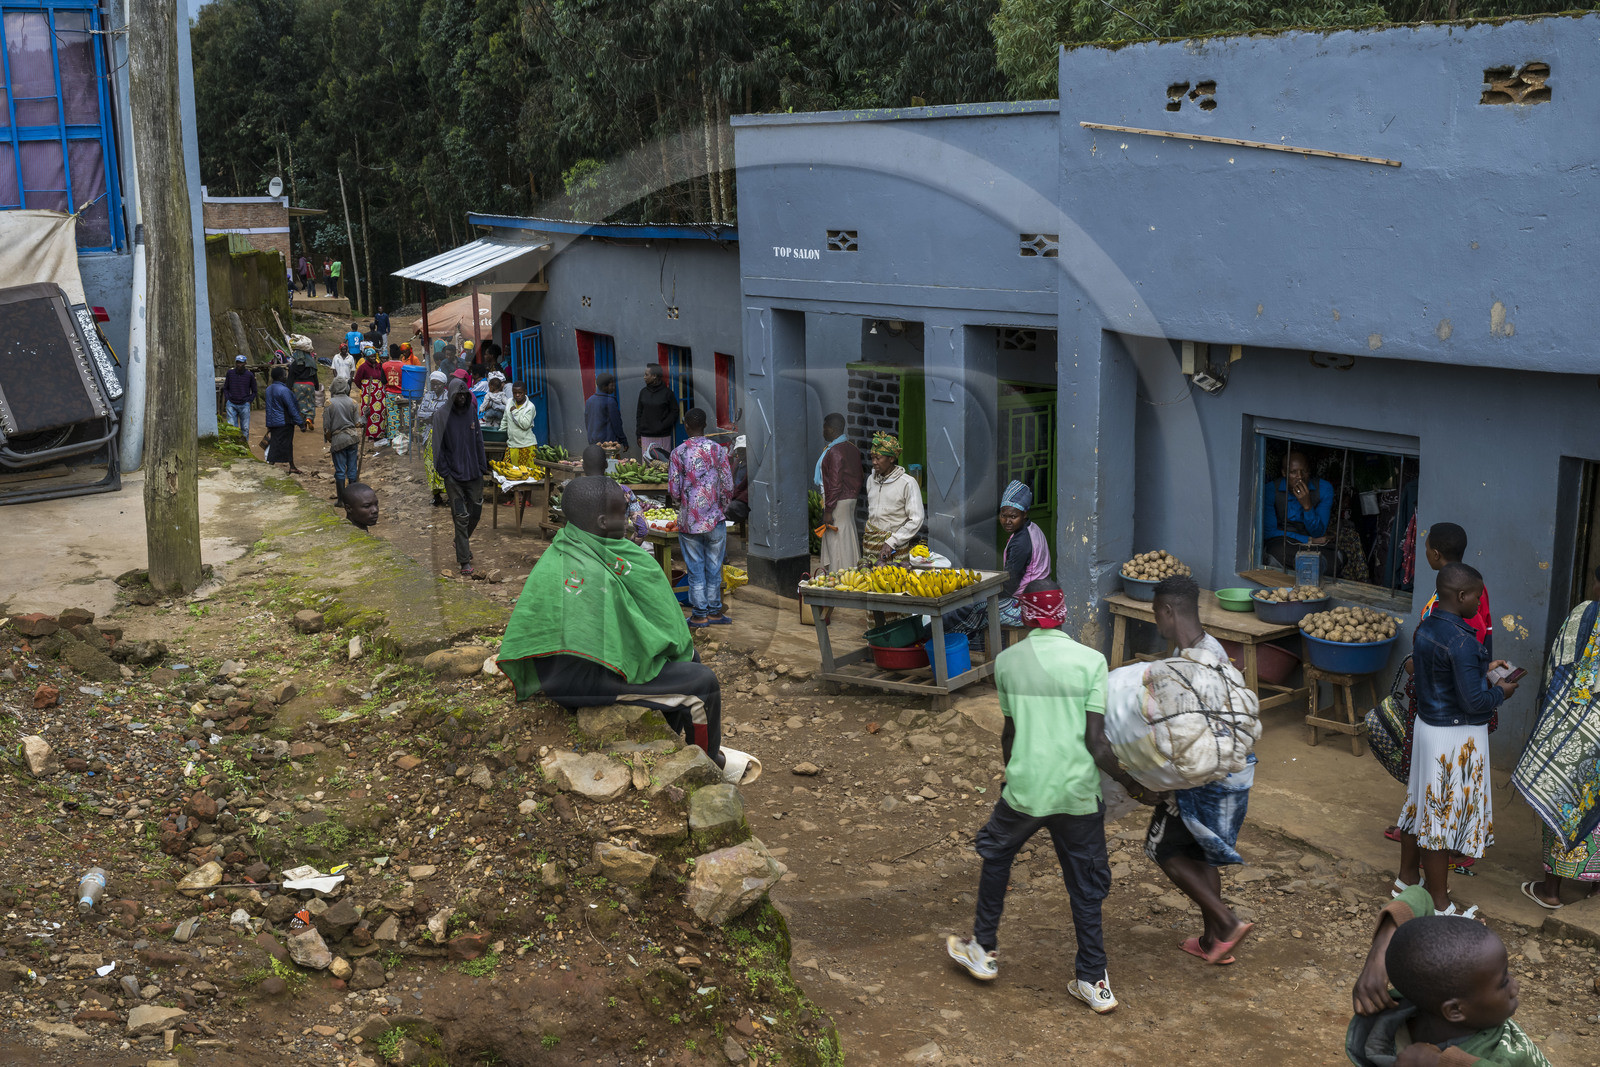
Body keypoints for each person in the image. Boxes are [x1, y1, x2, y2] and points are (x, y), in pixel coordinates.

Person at [946, 580, 1153, 1015]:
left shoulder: (1006, 662)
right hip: (1077, 792)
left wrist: (1011, 772)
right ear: (1064, 613)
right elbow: (1098, 745)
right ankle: (1094, 980)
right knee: (1085, 884)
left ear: (1023, 615)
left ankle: (983, 950)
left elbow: (1010, 732)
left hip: (1026, 788)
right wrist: (1135, 786)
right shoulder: (1092, 662)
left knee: (996, 855)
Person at [495, 475, 758, 784]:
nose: (632, 519)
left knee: (688, 659)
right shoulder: (589, 570)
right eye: (625, 512)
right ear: (605, 521)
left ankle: (671, 741)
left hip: (583, 666)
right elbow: (625, 631)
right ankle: (706, 766)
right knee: (702, 685)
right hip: (582, 679)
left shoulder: (574, 547)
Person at [1145, 575, 1257, 964]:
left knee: (1163, 848)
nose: (1155, 621)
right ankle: (1214, 941)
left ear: (1169, 611)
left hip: (1207, 776)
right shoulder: (1213, 652)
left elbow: (1185, 737)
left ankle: (1226, 923)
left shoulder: (1186, 667)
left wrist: (1161, 779)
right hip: (1234, 772)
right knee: (1204, 850)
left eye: (1156, 612)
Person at [1395, 563, 1518, 914]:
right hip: (1453, 736)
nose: (1481, 603)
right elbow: (1475, 701)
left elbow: (1439, 671)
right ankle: (1438, 902)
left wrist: (1482, 668)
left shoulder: (1426, 627)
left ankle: (1406, 878)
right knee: (1441, 819)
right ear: (1462, 596)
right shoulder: (1464, 640)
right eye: (1478, 596)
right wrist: (1502, 693)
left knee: (1420, 804)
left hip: (1428, 727)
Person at [1386, 522, 1494, 856]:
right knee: (1431, 789)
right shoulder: (1453, 592)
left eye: (1425, 547)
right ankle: (1431, 836)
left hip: (1451, 707)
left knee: (1442, 791)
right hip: (1445, 704)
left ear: (1434, 553)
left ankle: (1446, 847)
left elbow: (1462, 652)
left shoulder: (1464, 594)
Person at [1349, 887, 1548, 1067]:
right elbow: (1419, 895)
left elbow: (1419, 894)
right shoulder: (1495, 1054)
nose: (1515, 987)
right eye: (1504, 982)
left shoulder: (1425, 994)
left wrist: (1379, 955)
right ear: (1454, 1010)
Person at [1513, 566, 1600, 909]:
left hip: (1571, 727)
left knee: (1564, 796)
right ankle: (1595, 886)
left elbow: (1556, 671)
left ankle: (1551, 891)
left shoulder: (1582, 615)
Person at [948, 479, 1052, 640]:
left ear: (1024, 514)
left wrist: (984, 594)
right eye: (1003, 515)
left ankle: (945, 639)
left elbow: (1010, 585)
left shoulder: (1021, 543)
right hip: (1037, 598)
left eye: (1013, 516)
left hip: (1026, 605)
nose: (1007, 521)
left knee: (973, 608)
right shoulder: (1033, 529)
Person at [669, 408, 733, 627]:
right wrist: (720, 506)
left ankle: (699, 614)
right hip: (716, 518)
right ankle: (715, 612)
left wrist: (684, 503)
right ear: (705, 425)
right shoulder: (719, 450)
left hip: (690, 521)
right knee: (714, 567)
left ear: (686, 425)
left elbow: (674, 490)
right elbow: (728, 485)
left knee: (695, 569)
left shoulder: (678, 453)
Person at [432, 377, 489, 576]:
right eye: (459, 395)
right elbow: (437, 445)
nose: (462, 398)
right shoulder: (441, 415)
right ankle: (464, 561)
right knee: (461, 516)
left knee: (476, 511)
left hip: (473, 472)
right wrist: (444, 471)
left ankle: (460, 540)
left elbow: (478, 439)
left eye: (465, 395)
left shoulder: (471, 412)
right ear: (452, 396)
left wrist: (483, 465)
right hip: (453, 475)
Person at [1262, 450, 1336, 575]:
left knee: (1337, 559)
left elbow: (1318, 532)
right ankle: (1312, 569)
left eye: (1304, 471)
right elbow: (1268, 532)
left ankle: (1307, 568)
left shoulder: (1324, 488)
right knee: (1275, 552)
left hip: (1313, 548)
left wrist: (1307, 506)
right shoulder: (1270, 490)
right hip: (1284, 543)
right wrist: (1308, 540)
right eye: (1293, 472)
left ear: (1309, 471)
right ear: (1284, 473)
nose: (1300, 477)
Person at [863, 431, 924, 562]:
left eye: (878, 458)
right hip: (870, 545)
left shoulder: (907, 483)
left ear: (891, 458)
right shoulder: (870, 480)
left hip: (895, 547)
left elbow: (916, 519)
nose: (874, 462)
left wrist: (893, 541)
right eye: (872, 457)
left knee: (893, 579)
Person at [815, 413, 862, 573]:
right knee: (846, 535)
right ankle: (850, 573)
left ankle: (839, 576)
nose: (823, 431)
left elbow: (835, 484)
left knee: (837, 540)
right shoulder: (852, 448)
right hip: (849, 499)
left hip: (837, 500)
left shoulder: (835, 451)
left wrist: (828, 510)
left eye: (825, 427)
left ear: (833, 429)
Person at [582, 444, 646, 542]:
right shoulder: (624, 491)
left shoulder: (579, 492)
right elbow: (643, 528)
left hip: (587, 551)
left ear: (583, 466)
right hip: (617, 551)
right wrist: (630, 546)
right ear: (606, 464)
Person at [323, 377, 362, 498]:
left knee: (340, 471)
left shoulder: (329, 404)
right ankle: (353, 498)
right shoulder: (353, 402)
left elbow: (327, 429)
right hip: (352, 439)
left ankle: (341, 500)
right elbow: (358, 424)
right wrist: (365, 416)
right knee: (352, 469)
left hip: (338, 440)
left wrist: (330, 440)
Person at [416, 370, 450, 508]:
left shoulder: (448, 397)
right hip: (428, 434)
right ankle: (436, 495)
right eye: (433, 384)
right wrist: (435, 415)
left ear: (443, 384)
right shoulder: (428, 396)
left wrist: (433, 416)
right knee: (431, 465)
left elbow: (447, 415)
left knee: (445, 464)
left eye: (438, 385)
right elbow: (420, 413)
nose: (435, 387)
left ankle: (449, 493)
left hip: (444, 435)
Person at [263, 366, 301, 474]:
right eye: (285, 375)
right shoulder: (284, 390)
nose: (286, 377)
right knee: (280, 444)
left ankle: (292, 466)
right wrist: (300, 423)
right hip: (284, 422)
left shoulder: (268, 389)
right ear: (280, 377)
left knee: (284, 443)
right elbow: (292, 408)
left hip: (272, 421)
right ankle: (270, 465)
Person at [636, 364, 678, 460]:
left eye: (646, 375)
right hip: (646, 436)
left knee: (663, 466)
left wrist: (662, 425)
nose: (644, 377)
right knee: (647, 468)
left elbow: (675, 411)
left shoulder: (667, 393)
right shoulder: (643, 392)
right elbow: (639, 414)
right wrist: (638, 434)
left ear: (654, 376)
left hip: (663, 437)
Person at [585, 372, 629, 450]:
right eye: (612, 385)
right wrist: (624, 440)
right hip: (608, 444)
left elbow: (587, 422)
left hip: (593, 442)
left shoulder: (589, 400)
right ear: (604, 387)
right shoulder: (610, 401)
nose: (614, 388)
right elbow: (616, 423)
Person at [353, 347, 387, 445]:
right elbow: (357, 380)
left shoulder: (379, 366)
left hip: (379, 394)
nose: (373, 358)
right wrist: (364, 388)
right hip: (368, 395)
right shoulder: (363, 367)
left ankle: (379, 434)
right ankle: (371, 435)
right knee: (369, 412)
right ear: (367, 357)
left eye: (374, 356)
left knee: (380, 412)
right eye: (370, 357)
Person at [504, 380, 538, 466]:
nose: (517, 395)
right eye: (514, 393)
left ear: (525, 392)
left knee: (527, 474)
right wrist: (501, 431)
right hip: (512, 444)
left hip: (526, 445)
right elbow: (505, 419)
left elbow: (525, 425)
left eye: (520, 393)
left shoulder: (530, 407)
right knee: (508, 472)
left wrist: (515, 412)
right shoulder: (509, 402)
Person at [222, 355, 257, 437]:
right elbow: (225, 387)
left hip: (244, 404)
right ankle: (234, 446)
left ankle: (244, 448)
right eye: (238, 362)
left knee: (245, 428)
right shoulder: (230, 373)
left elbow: (254, 390)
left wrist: (249, 401)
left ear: (245, 363)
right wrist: (228, 399)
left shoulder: (249, 375)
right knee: (231, 427)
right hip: (231, 404)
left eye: (241, 363)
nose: (239, 365)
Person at [381, 347, 408, 443]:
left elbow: (383, 381)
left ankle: (392, 437)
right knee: (403, 415)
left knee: (392, 416)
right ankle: (404, 437)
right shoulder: (404, 366)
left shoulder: (384, 365)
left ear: (390, 355)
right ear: (400, 355)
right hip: (402, 394)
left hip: (390, 394)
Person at [288, 350, 319, 432]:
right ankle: (309, 418)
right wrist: (317, 386)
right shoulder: (311, 362)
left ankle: (303, 424)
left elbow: (290, 376)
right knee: (310, 402)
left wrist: (288, 387)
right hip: (309, 385)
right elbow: (315, 375)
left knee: (300, 404)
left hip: (297, 386)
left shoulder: (294, 364)